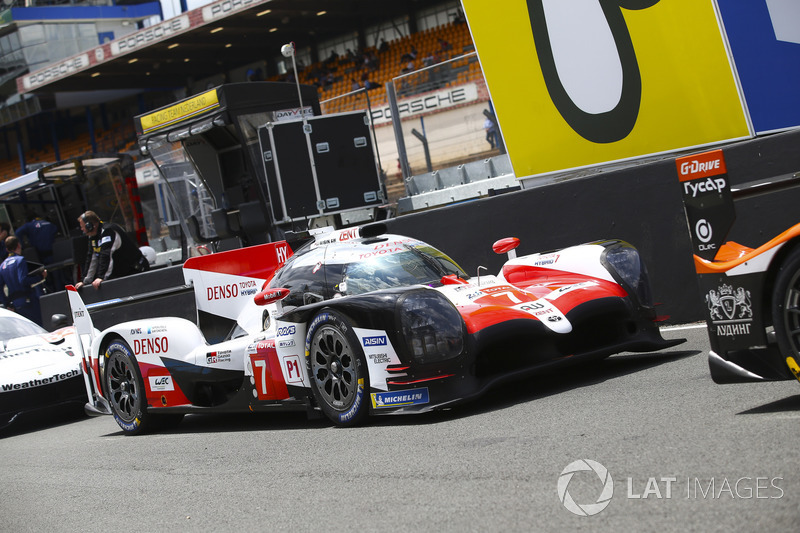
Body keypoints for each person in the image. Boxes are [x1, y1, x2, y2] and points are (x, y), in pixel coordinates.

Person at [75, 210, 149, 290]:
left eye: (82, 226)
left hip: (136, 270)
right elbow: (91, 259)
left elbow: (106, 254)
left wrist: (101, 277)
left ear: (90, 225)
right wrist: (84, 281)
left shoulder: (109, 231)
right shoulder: (93, 237)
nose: (82, 229)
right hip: (123, 274)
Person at [0, 235, 47, 325]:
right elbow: (23, 280)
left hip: (15, 304)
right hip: (28, 300)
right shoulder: (20, 260)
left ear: (7, 249)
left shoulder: (2, 266)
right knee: (40, 326)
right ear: (18, 245)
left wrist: (7, 304)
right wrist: (41, 277)